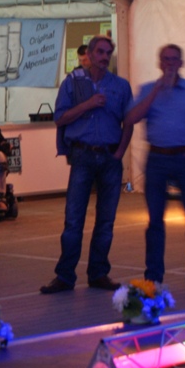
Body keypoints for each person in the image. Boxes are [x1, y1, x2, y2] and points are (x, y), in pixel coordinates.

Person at [40, 36, 133, 294]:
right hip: (82, 156)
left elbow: (129, 122)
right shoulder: (72, 83)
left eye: (108, 53)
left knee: (106, 220)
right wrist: (88, 104)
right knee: (73, 220)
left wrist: (120, 153)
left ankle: (99, 273)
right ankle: (65, 276)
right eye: (100, 52)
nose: (104, 57)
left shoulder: (120, 86)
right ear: (89, 55)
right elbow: (60, 118)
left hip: (110, 157)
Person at [126, 44, 185, 294]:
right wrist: (156, 91)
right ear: (159, 63)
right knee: (155, 221)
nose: (169, 63)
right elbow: (132, 118)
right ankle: (153, 278)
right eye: (165, 59)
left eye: (174, 59)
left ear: (181, 63)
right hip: (157, 158)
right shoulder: (148, 89)